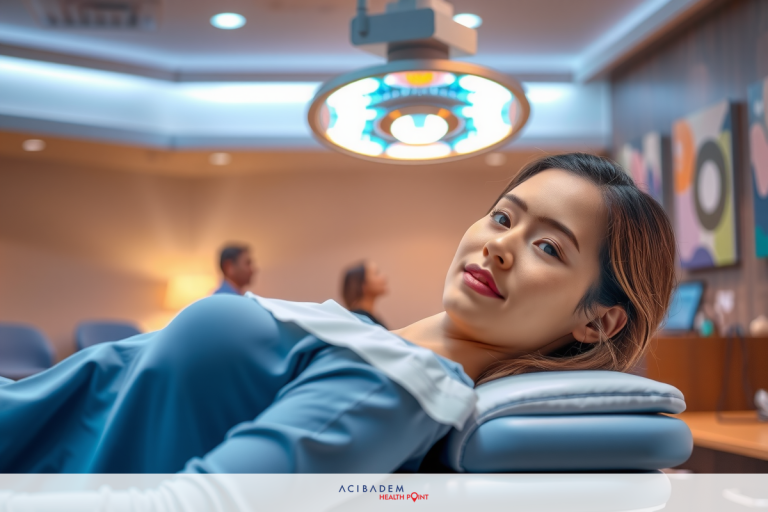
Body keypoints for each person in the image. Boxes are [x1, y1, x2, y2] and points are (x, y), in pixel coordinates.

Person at [0, 154, 676, 477]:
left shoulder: (398, 382)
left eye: (547, 247)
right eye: (503, 216)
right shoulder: (372, 342)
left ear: (599, 322)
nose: (500, 245)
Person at [341, 260, 389, 328]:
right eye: (376, 273)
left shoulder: (370, 318)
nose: (384, 277)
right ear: (363, 285)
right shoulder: (359, 321)